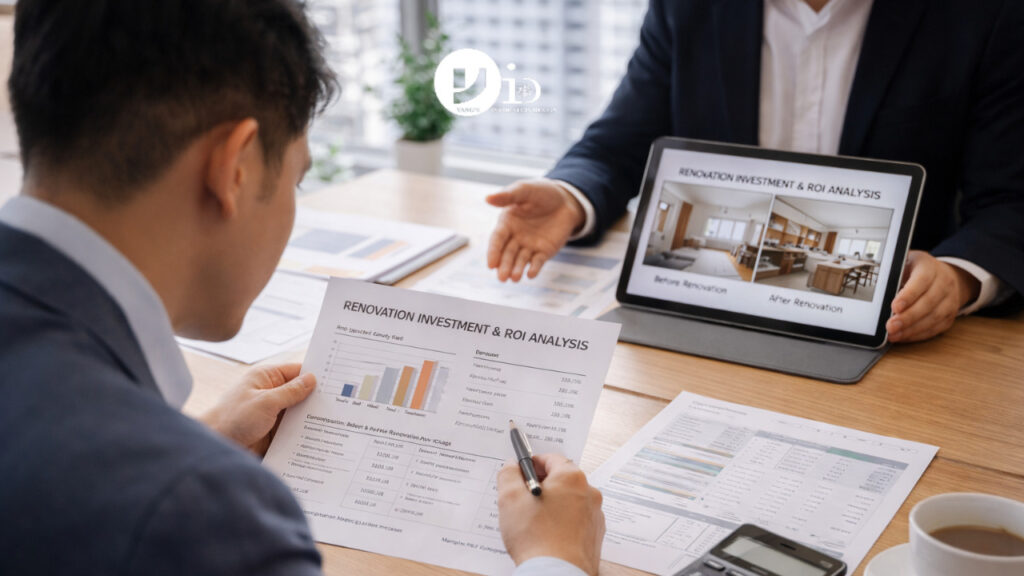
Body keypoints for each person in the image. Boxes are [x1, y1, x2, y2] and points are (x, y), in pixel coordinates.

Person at [0, 1, 602, 575]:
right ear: (233, 169)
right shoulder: (202, 517)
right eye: (299, 178)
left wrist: (202, 437)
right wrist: (557, 559)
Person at [487, 0, 1023, 343]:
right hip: (706, 320)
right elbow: (618, 144)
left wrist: (957, 276)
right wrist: (568, 193)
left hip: (892, 333)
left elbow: (1010, 200)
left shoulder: (987, 15)